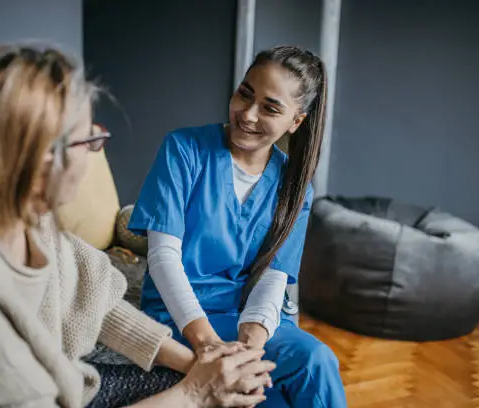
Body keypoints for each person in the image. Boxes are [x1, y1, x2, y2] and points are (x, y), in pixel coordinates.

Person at [0, 43, 277, 408]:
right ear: (37, 160)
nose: (97, 151)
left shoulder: (24, 218)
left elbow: (93, 304)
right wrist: (197, 392)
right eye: (89, 140)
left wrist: (196, 364)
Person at [128, 45, 348, 407]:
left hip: (249, 320)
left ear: (296, 121)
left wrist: (252, 344)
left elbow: (273, 278)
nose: (247, 114)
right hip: (181, 316)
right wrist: (207, 343)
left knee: (315, 362)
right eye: (245, 94)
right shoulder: (183, 149)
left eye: (270, 108)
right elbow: (163, 258)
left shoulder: (295, 189)